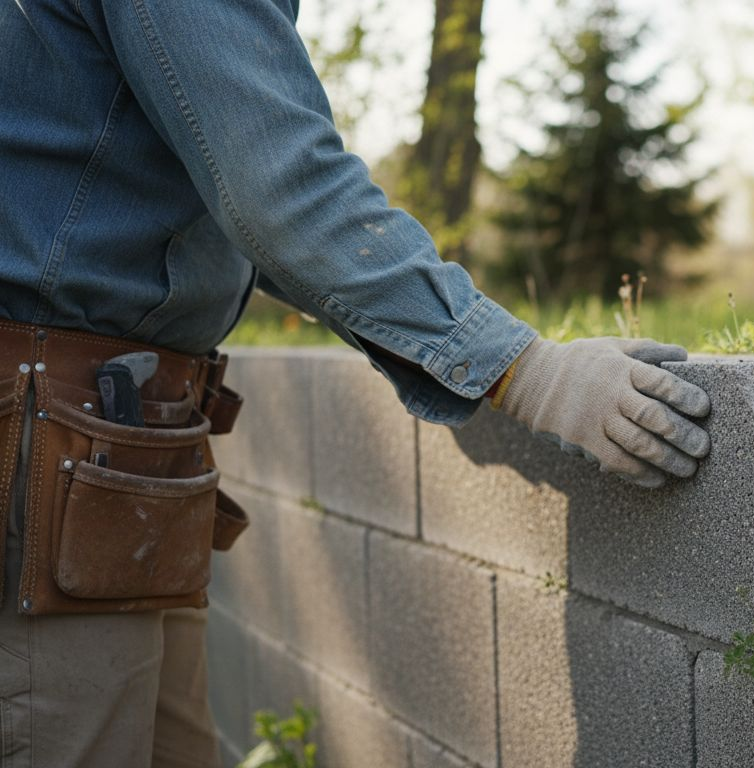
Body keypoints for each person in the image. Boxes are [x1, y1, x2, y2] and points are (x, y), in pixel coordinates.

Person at [0, 0, 712, 765]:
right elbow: (282, 191)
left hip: (112, 453)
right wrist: (524, 372)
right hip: (55, 445)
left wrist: (440, 351)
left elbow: (240, 200)